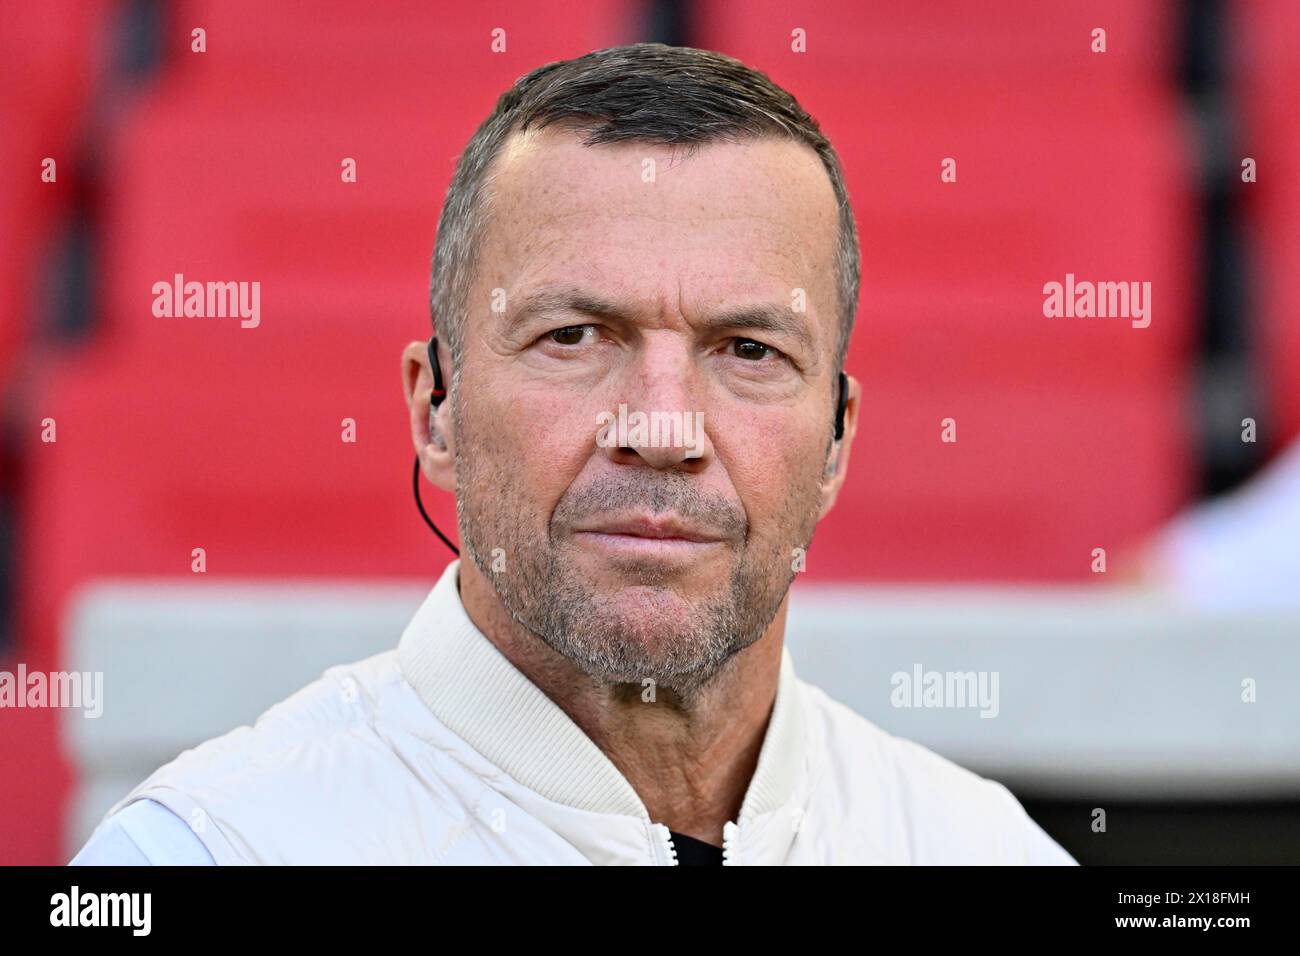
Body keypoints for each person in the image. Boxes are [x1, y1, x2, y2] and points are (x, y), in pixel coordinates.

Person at [72, 43, 1074, 865]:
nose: (662, 428)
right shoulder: (209, 853)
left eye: (749, 351)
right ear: (437, 407)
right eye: (575, 338)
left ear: (838, 442)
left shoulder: (981, 849)